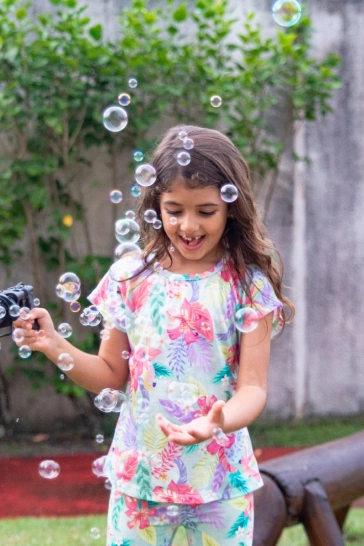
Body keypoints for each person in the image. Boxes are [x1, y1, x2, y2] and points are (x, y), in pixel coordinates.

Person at [14, 125, 294, 546]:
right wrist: (54, 344)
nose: (188, 225)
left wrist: (219, 422)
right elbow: (111, 374)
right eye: (174, 209)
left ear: (231, 208)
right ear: (155, 205)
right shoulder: (132, 276)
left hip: (220, 477)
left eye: (206, 210)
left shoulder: (247, 285)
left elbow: (253, 388)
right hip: (140, 476)